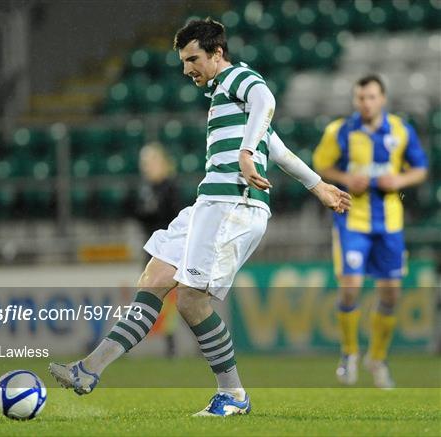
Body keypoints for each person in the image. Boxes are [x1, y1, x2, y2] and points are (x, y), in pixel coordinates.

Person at [50, 18, 351, 416]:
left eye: (193, 59)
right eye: (182, 60)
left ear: (217, 54)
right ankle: (89, 369)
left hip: (233, 206)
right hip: (207, 203)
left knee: (191, 300)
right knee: (154, 279)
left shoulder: (239, 78)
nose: (186, 68)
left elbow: (266, 100)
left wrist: (244, 154)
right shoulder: (227, 99)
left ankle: (234, 395)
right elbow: (276, 148)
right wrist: (318, 186)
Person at [313, 74, 428, 389]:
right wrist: (345, 179)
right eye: (361, 98)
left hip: (389, 222)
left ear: (383, 99)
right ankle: (349, 353)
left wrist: (400, 181)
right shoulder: (339, 131)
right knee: (350, 287)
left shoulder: (401, 131)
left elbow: (420, 168)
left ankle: (377, 359)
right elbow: (321, 165)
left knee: (391, 293)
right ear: (355, 100)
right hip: (352, 220)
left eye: (372, 97)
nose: (366, 103)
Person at [134, 142, 181, 357]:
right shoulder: (146, 189)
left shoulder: (170, 187)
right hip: (152, 248)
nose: (147, 167)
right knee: (161, 299)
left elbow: (173, 217)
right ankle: (169, 344)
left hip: (170, 250)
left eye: (151, 162)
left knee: (179, 298)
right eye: (144, 163)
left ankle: (183, 343)